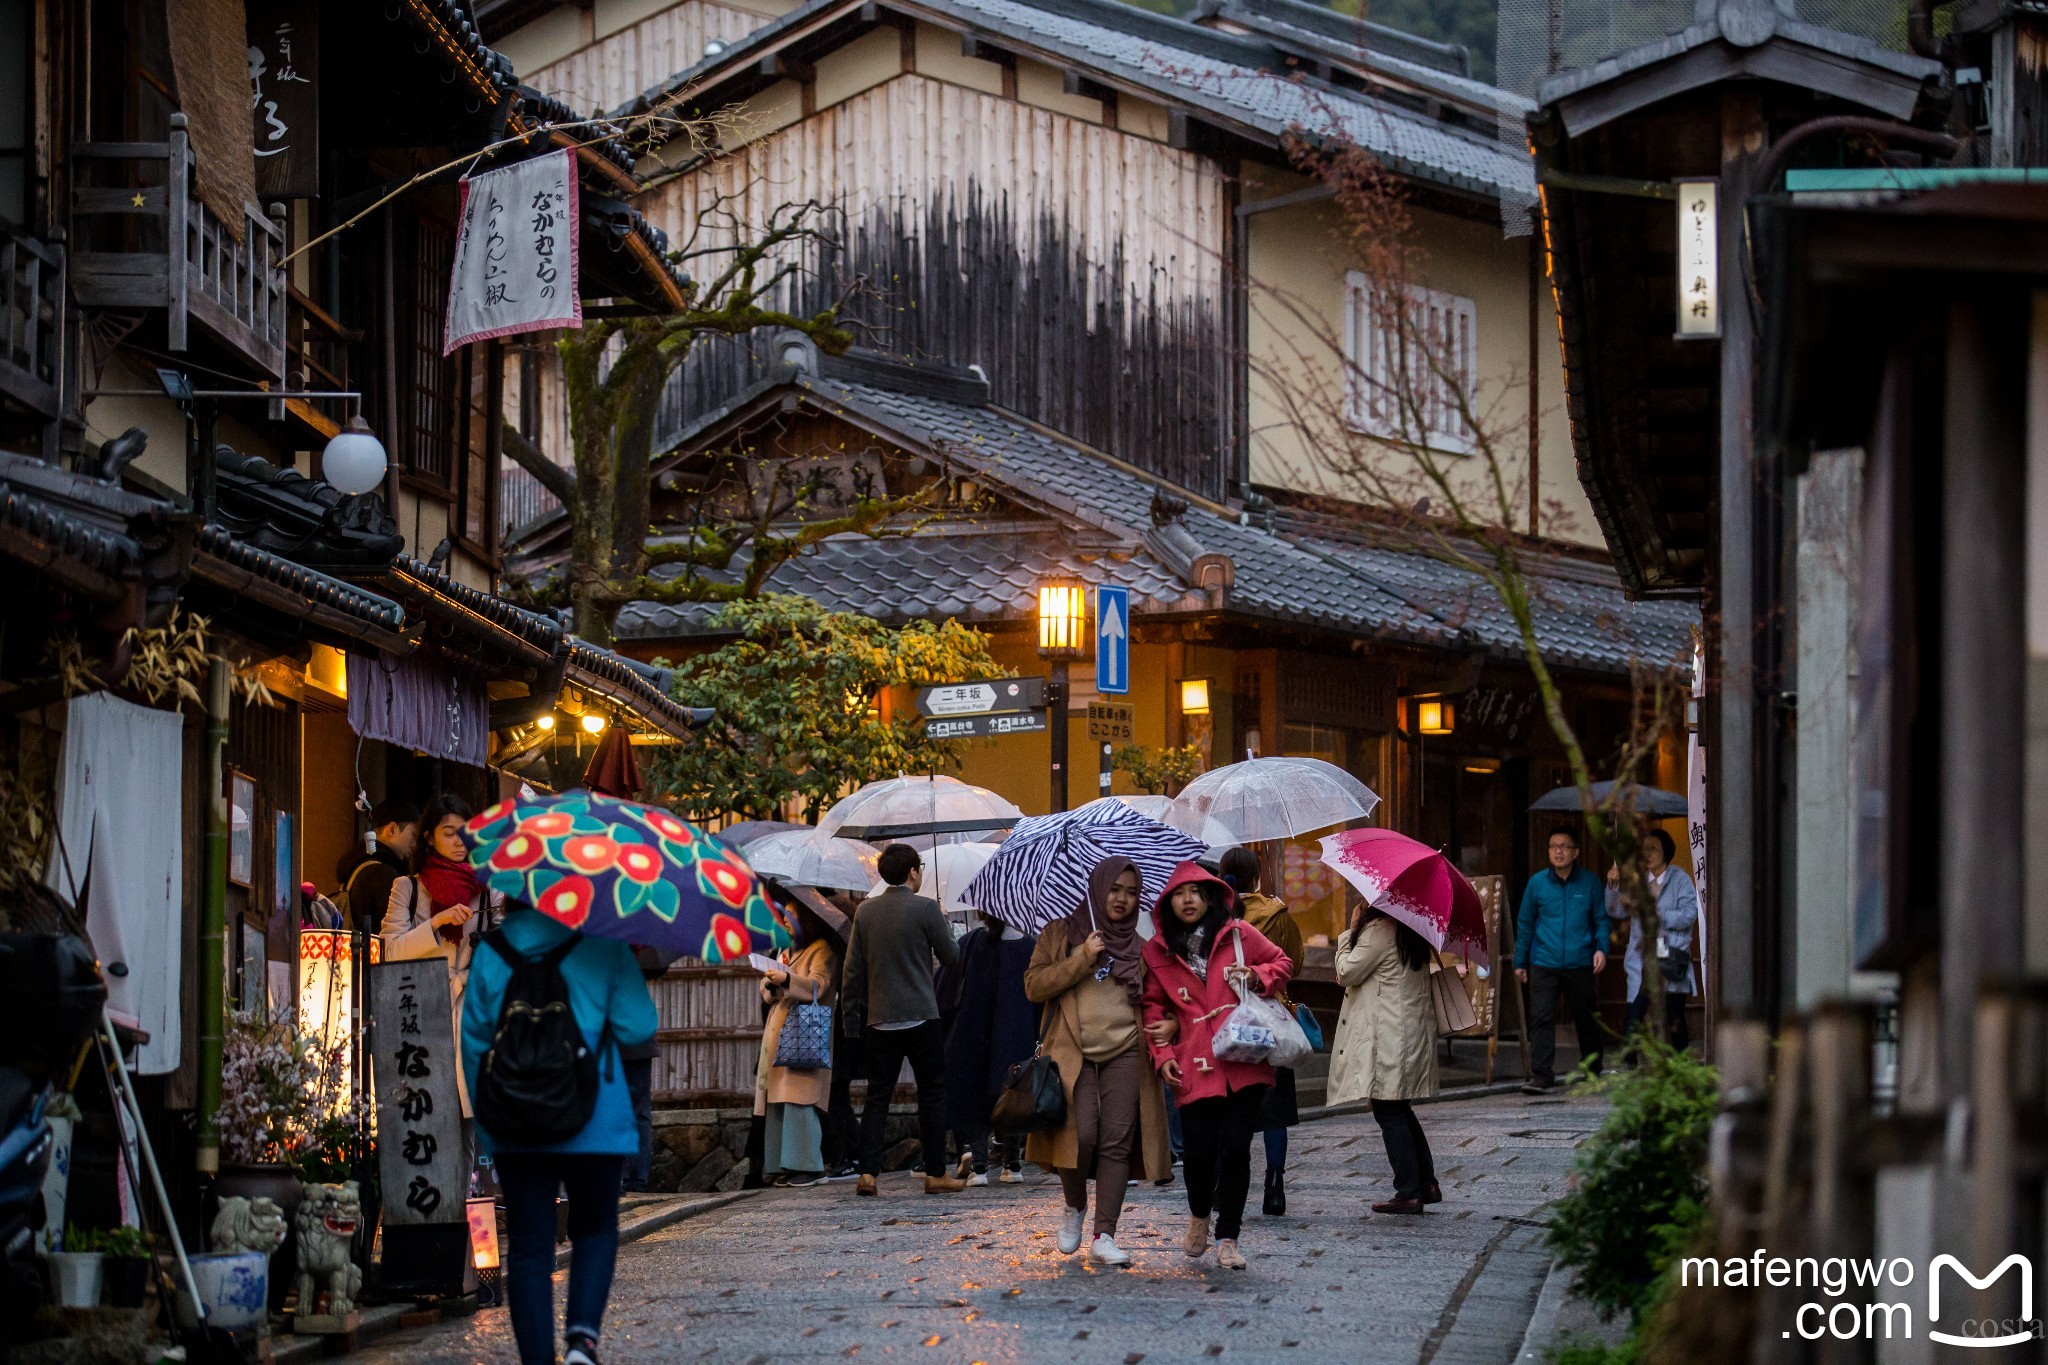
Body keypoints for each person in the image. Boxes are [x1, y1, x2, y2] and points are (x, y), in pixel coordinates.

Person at [461, 903, 657, 1365]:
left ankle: (536, 1357)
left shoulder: (493, 950)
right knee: (594, 1228)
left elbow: (473, 1041)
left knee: (530, 1244)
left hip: (515, 1120)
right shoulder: (602, 941)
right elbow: (639, 1024)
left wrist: (490, 1125)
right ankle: (582, 1342)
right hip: (597, 1119)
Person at [1022, 858, 1174, 1266]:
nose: (1123, 899)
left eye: (1132, 892)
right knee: (1081, 1133)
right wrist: (1082, 957)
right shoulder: (1060, 934)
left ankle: (1105, 1234)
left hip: (1126, 1050)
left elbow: (1162, 999)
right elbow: (1034, 987)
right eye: (1115, 889)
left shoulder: (1142, 948)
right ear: (1098, 888)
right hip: (1073, 1051)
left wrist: (1171, 1024)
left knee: (1117, 1142)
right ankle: (1075, 1204)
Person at [1142, 861, 1292, 1271]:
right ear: (1167, 903)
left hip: (1245, 1059)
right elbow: (1153, 1009)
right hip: (1195, 1062)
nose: (1188, 900)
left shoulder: (1240, 934)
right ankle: (1199, 1215)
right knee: (1199, 1154)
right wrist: (1163, 1056)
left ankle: (1228, 1236)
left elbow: (1282, 962)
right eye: (1179, 893)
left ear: (1211, 897)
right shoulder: (1157, 951)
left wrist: (1259, 975)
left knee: (1236, 1148)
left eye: (1196, 892)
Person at [841, 843, 966, 1195]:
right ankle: (936, 1172)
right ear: (913, 871)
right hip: (923, 1017)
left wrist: (851, 1020)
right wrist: (943, 922)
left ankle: (868, 1173)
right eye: (920, 867)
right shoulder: (926, 909)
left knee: (878, 1096)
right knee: (932, 1094)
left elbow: (852, 971)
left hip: (880, 1019)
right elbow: (952, 957)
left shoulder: (865, 912)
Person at [384, 794, 505, 1110]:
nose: (458, 842)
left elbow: (508, 951)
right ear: (428, 837)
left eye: (464, 833)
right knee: (431, 1116)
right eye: (449, 832)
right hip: (422, 1014)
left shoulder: (489, 888)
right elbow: (391, 952)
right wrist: (438, 921)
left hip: (475, 1012)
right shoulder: (408, 888)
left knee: (474, 1117)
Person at [1328, 904, 1441, 1214]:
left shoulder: (1380, 930)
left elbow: (1346, 971)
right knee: (1398, 1105)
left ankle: (1409, 1191)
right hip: (1408, 1030)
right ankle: (1426, 1183)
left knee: (1388, 1109)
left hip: (1388, 1034)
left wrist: (1350, 932)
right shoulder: (1415, 926)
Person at [1219, 847, 1303, 1217]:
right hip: (1269, 1018)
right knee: (1274, 1108)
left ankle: (1224, 1186)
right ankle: (1274, 1186)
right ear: (1256, 877)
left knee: (1228, 1106)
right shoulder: (1275, 913)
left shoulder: (1215, 915)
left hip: (1226, 1020)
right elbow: (1294, 963)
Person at [939, 910, 1035, 1185]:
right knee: (1013, 1095)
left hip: (974, 1031)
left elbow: (945, 986)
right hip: (1016, 1032)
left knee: (977, 1094)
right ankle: (1012, 1162)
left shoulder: (970, 942)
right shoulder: (1029, 946)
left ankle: (979, 1166)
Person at [1514, 829, 1609, 1093]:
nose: (1558, 851)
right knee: (1542, 1017)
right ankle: (1542, 1075)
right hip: (1544, 961)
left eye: (1564, 846)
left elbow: (1601, 920)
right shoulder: (1537, 884)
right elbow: (1526, 924)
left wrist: (1601, 948)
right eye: (1553, 846)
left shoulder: (1590, 883)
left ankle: (1592, 1069)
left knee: (1586, 1018)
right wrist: (1520, 961)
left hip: (1580, 961)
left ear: (1576, 851)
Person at [754, 902, 841, 1186]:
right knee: (778, 1099)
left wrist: (787, 978)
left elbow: (819, 984)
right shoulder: (785, 951)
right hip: (779, 1033)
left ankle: (809, 1166)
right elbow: (769, 993)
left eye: (791, 916)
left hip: (804, 1033)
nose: (785, 922)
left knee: (799, 1098)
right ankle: (784, 1164)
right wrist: (771, 984)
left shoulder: (821, 950)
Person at [1605, 829, 1698, 1052]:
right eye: (1644, 849)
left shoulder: (1680, 879)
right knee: (1636, 1011)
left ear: (1666, 851)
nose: (1647, 854)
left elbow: (1689, 915)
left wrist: (1656, 914)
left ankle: (1680, 1062)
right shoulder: (1637, 880)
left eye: (1653, 848)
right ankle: (1627, 1062)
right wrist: (1613, 886)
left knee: (1674, 1016)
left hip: (1670, 957)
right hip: (1642, 956)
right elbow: (1615, 911)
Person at [620, 945, 677, 1192]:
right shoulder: (636, 945)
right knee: (637, 1112)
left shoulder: (597, 947)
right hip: (634, 1037)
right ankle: (633, 1178)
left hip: (616, 1039)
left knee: (629, 1112)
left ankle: (628, 1178)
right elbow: (657, 966)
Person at [334, 797, 418, 938]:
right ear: (392, 829)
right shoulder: (382, 874)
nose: (414, 843)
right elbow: (396, 937)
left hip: (354, 955)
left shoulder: (358, 865)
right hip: (374, 957)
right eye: (413, 835)